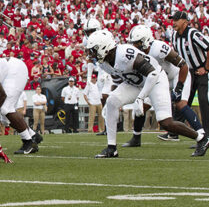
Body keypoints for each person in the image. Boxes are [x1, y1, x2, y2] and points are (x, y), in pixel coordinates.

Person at [86, 29, 209, 158]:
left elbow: (152, 73)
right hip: (135, 84)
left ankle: (201, 138)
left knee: (166, 122)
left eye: (94, 49)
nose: (91, 54)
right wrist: (111, 99)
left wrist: (140, 98)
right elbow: (117, 81)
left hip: (156, 80)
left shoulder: (125, 54)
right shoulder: (104, 63)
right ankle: (112, 148)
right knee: (112, 102)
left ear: (104, 47)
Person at [124, 24, 205, 147]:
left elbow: (183, 66)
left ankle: (202, 135)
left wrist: (179, 86)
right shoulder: (136, 54)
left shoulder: (159, 48)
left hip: (177, 76)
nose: (134, 46)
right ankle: (136, 137)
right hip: (160, 80)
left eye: (137, 43)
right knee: (142, 106)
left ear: (145, 41)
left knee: (180, 104)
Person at [0, 55, 42, 154]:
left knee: (6, 109)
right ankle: (33, 135)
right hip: (8, 70)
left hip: (15, 69)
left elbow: (1, 95)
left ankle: (28, 142)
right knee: (5, 118)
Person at [171, 11, 209, 139]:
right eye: (173, 19)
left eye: (176, 20)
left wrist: (206, 68)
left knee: (203, 101)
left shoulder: (193, 33)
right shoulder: (174, 36)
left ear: (185, 22)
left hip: (200, 71)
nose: (173, 22)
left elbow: (208, 48)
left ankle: (207, 134)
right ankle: (174, 131)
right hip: (187, 73)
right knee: (182, 102)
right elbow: (176, 54)